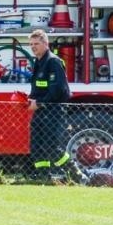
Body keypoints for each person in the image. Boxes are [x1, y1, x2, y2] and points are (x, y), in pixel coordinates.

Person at [27, 29, 70, 182]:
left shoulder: (53, 61)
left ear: (46, 44)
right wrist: (30, 99)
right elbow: (41, 86)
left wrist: (39, 103)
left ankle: (76, 175)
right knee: (37, 145)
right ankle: (43, 176)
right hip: (41, 110)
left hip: (53, 110)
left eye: (36, 44)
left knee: (53, 146)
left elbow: (59, 89)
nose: (33, 47)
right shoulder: (39, 62)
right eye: (31, 44)